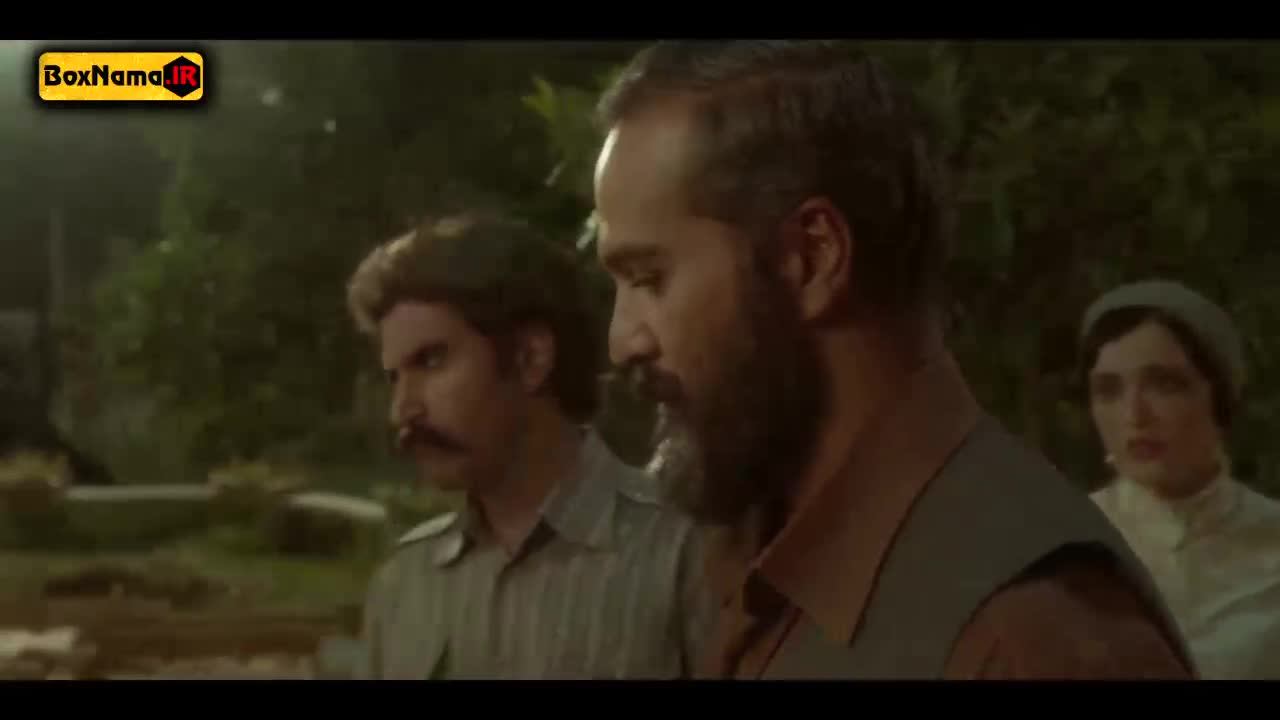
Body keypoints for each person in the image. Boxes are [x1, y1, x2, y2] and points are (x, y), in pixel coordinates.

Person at [591, 40, 1194, 679]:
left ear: (811, 258)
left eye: (649, 279)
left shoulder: (1028, 638)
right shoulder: (761, 559)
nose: (623, 341)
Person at [345, 210, 713, 679]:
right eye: (395, 377)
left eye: (431, 361)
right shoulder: (404, 583)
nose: (403, 410)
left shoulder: (686, 554)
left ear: (529, 359)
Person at [1082, 279, 1280, 679]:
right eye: (1109, 390)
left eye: (1165, 385)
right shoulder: (1065, 545)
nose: (1135, 414)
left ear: (1219, 398)